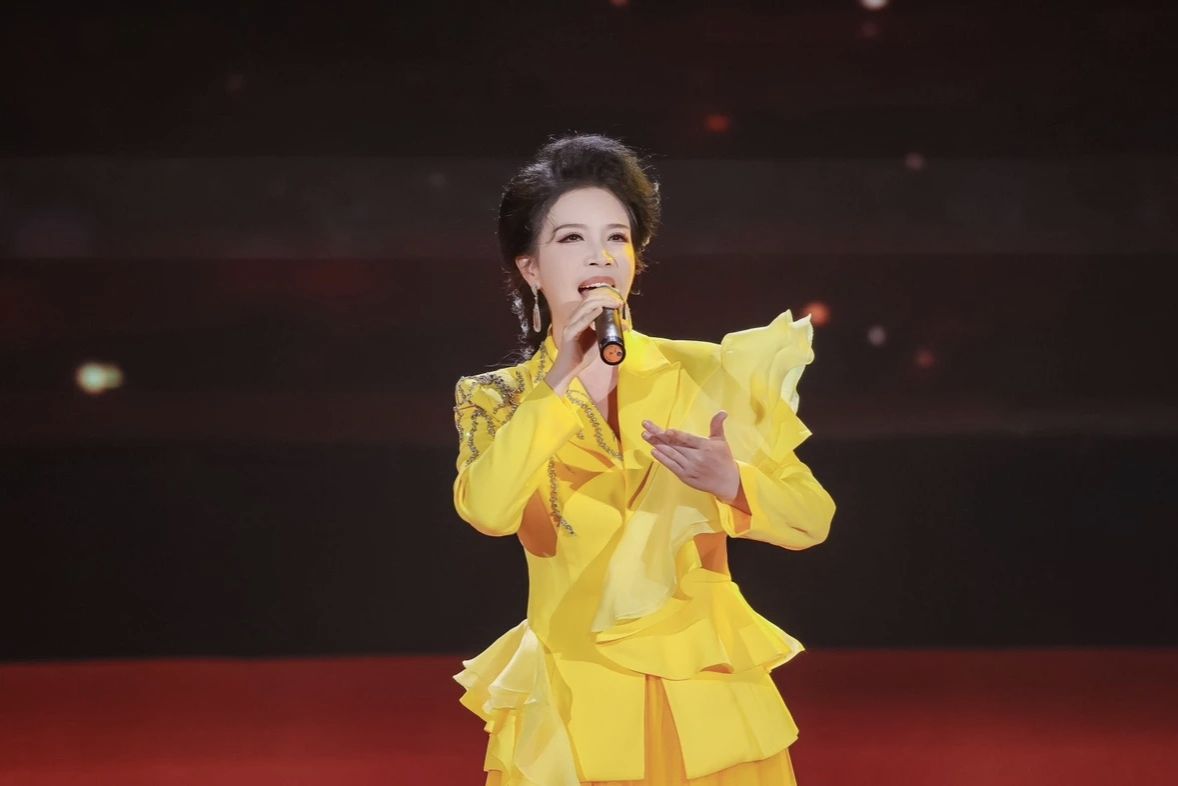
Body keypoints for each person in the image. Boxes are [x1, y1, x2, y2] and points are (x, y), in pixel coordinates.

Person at [452, 134, 836, 786]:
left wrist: (734, 482)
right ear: (531, 268)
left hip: (706, 700)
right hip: (574, 706)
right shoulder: (498, 398)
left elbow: (811, 519)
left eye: (617, 238)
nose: (599, 256)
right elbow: (488, 511)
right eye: (571, 238)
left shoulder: (709, 372)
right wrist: (560, 382)